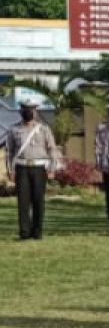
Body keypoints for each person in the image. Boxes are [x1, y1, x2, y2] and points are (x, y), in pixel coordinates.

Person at [6, 98, 58, 240]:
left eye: (32, 109)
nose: (29, 111)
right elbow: (9, 152)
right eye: (25, 109)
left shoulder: (44, 129)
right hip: (22, 168)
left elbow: (52, 149)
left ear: (35, 112)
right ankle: (24, 232)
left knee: (38, 201)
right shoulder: (14, 129)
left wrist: (52, 168)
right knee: (23, 202)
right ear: (21, 111)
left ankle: (37, 232)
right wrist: (11, 170)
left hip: (39, 168)